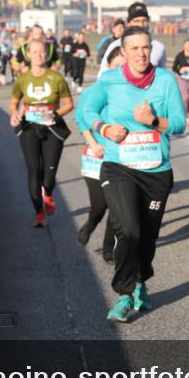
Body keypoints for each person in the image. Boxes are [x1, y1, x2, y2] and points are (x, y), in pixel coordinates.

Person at [77, 26, 186, 322]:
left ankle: (140, 281)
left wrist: (153, 120)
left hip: (156, 170)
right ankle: (124, 294)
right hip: (119, 166)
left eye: (146, 47)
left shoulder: (165, 80)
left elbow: (179, 123)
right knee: (129, 229)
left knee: (147, 236)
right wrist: (104, 129)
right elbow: (86, 111)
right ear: (123, 52)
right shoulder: (109, 80)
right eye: (134, 48)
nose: (141, 53)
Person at [9, 38, 74, 227]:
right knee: (33, 172)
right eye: (35, 51)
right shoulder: (22, 79)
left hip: (52, 127)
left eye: (42, 51)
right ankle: (38, 212)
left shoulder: (57, 78)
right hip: (29, 127)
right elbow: (14, 103)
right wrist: (14, 114)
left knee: (48, 177)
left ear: (47, 54)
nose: (39, 55)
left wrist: (55, 113)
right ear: (28, 55)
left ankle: (48, 192)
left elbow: (69, 104)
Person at [76, 46, 126, 261]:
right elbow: (81, 119)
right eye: (116, 66)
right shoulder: (93, 91)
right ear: (107, 66)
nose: (119, 71)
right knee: (99, 205)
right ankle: (90, 224)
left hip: (120, 157)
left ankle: (108, 248)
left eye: (124, 67)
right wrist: (93, 144)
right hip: (95, 154)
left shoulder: (131, 94)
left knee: (116, 207)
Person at [97, 2, 168, 74]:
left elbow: (163, 73)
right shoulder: (116, 45)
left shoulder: (158, 47)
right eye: (136, 21)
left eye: (144, 21)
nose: (141, 24)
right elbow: (102, 74)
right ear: (128, 23)